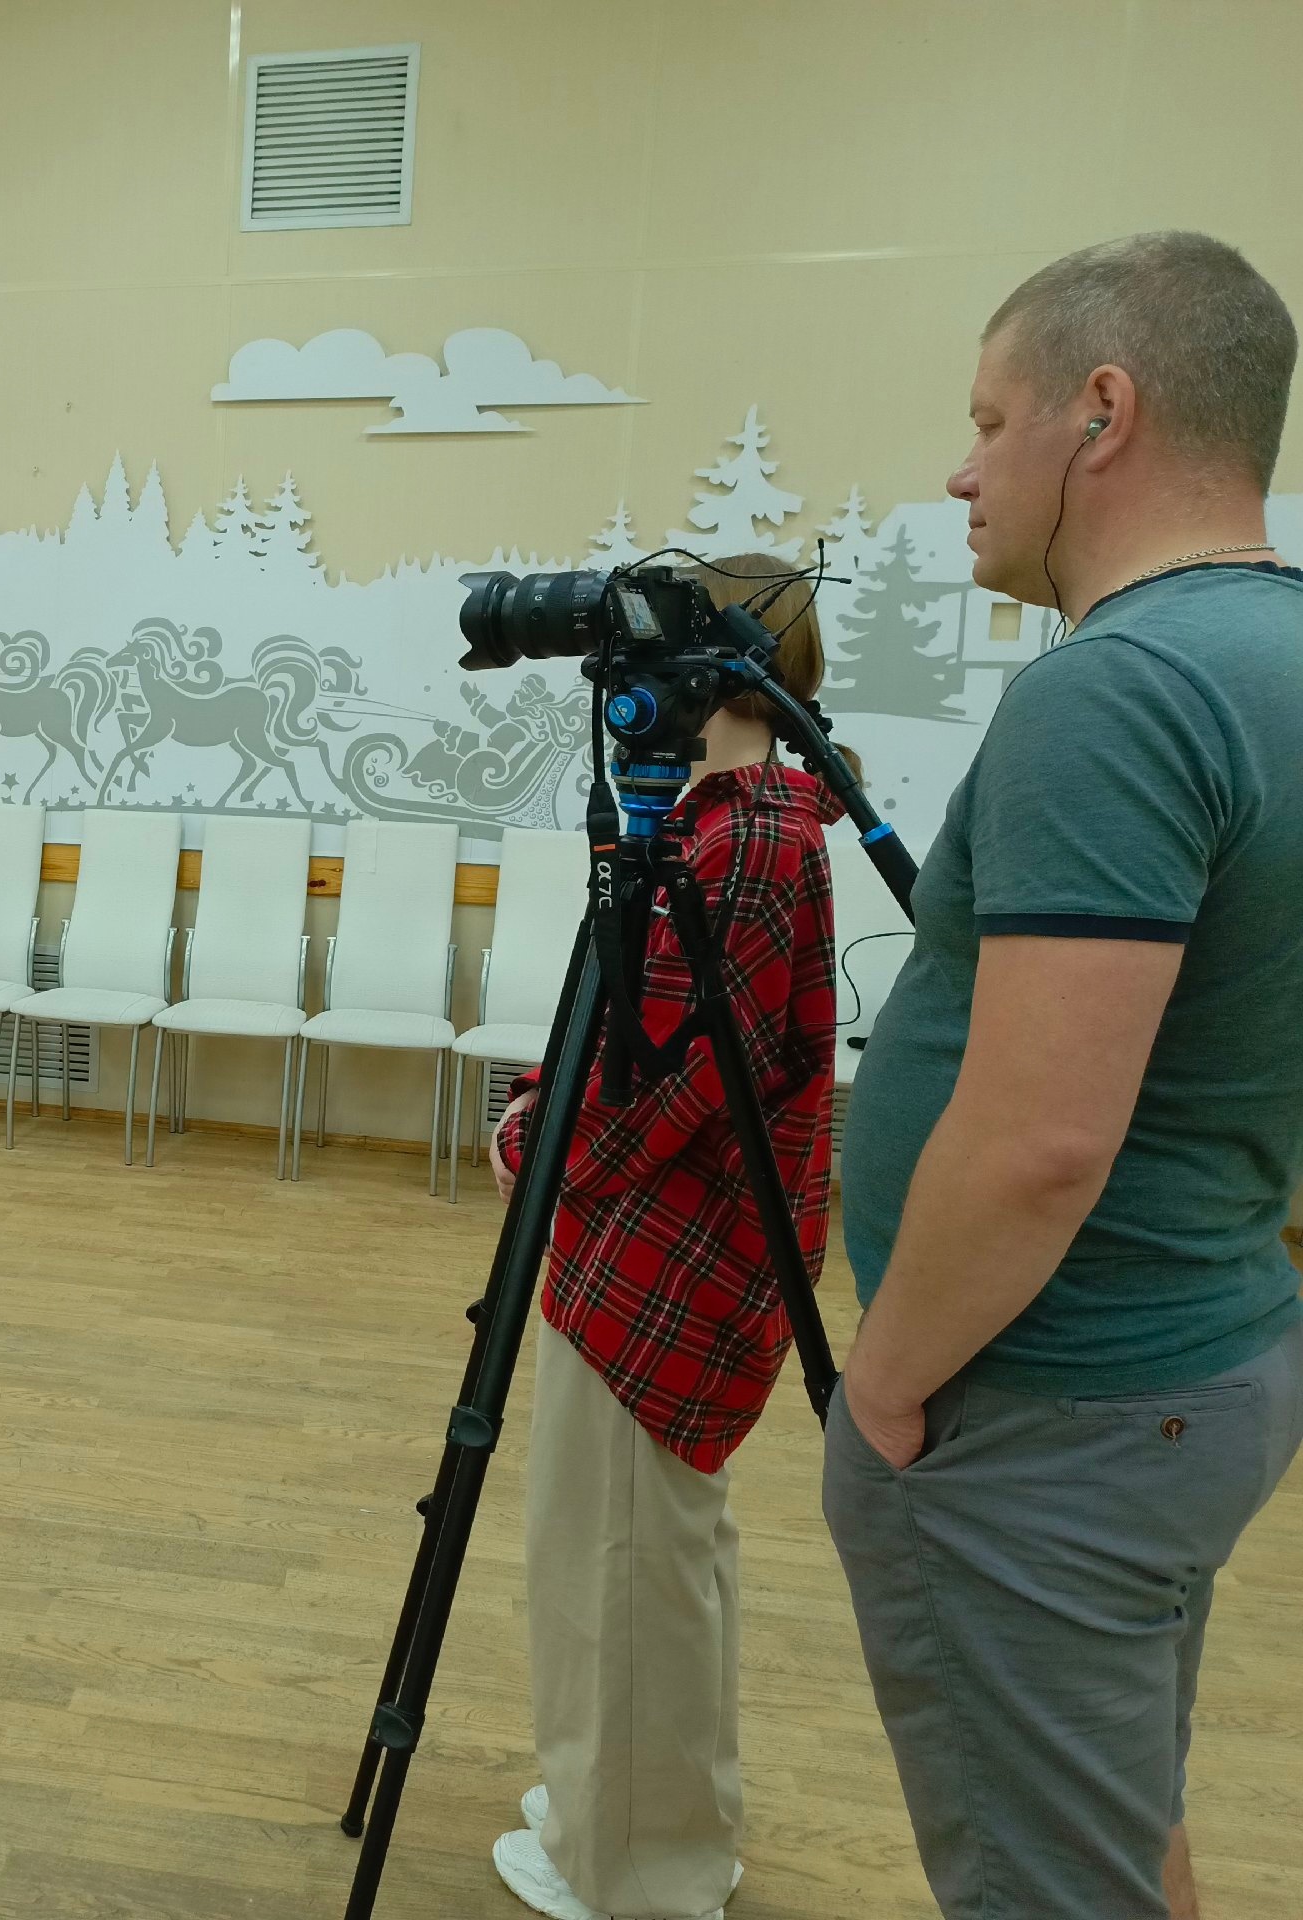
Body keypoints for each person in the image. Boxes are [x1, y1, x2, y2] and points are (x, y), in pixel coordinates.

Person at [826, 231, 1303, 1920]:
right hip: (1201, 1350)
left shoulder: (1118, 695)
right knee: (1115, 1819)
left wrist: (886, 1388)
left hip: (1053, 1410)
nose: (961, 472)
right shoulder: (1272, 658)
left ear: (1103, 411)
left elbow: (1039, 1140)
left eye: (988, 420)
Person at [489, 553, 845, 1920]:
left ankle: (640, 1870)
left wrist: (530, 1142)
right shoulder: (739, 823)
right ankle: (634, 1811)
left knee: (624, 1567)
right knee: (638, 1555)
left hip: (664, 1261)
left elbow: (659, 1087)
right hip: (662, 1253)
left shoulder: (736, 845)